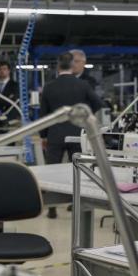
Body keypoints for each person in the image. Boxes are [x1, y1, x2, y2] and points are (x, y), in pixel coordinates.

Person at [40, 51, 103, 218]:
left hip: (55, 134)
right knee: (77, 170)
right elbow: (98, 103)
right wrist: (84, 116)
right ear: (72, 65)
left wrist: (43, 136)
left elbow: (44, 115)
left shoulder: (49, 87)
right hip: (77, 133)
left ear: (58, 66)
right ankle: (76, 204)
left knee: (52, 170)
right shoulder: (83, 85)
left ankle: (52, 208)